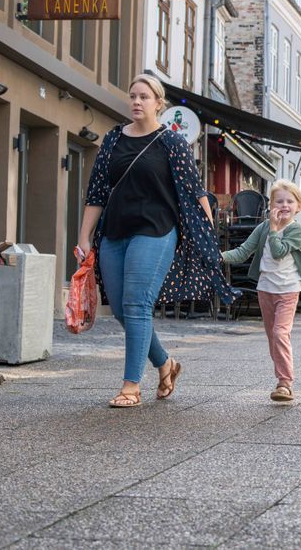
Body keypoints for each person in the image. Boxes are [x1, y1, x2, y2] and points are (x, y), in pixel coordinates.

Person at [77, 74, 233, 408]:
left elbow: (194, 192)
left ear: (158, 103)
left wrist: (209, 238)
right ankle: (166, 365)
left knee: (137, 305)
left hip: (155, 232)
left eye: (144, 96)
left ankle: (131, 386)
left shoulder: (171, 143)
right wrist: (84, 237)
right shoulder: (113, 139)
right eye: (132, 95)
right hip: (115, 234)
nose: (136, 101)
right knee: (120, 309)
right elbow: (97, 191)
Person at [221, 180, 301, 402]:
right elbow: (243, 252)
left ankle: (285, 383)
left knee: (280, 333)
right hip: (265, 289)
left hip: (289, 290)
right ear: (270, 205)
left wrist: (274, 230)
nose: (284, 205)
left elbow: (278, 252)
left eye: (289, 201)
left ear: (298, 206)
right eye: (279, 201)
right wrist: (220, 256)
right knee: (272, 338)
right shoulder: (262, 227)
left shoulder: (296, 230)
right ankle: (281, 378)